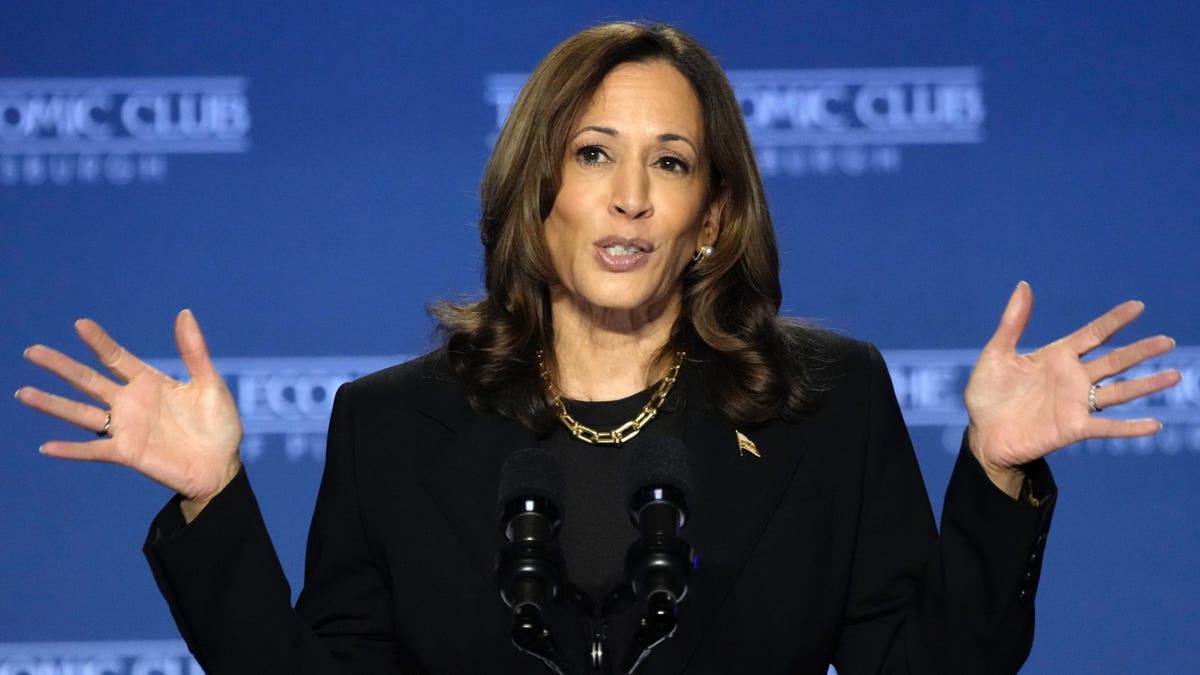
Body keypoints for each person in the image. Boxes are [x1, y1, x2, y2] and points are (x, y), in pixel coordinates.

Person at [16, 21, 1180, 675]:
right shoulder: (390, 426)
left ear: (711, 217)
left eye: (670, 162)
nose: (628, 197)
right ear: (537, 196)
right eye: (591, 155)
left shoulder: (828, 404)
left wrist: (994, 475)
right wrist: (217, 503)